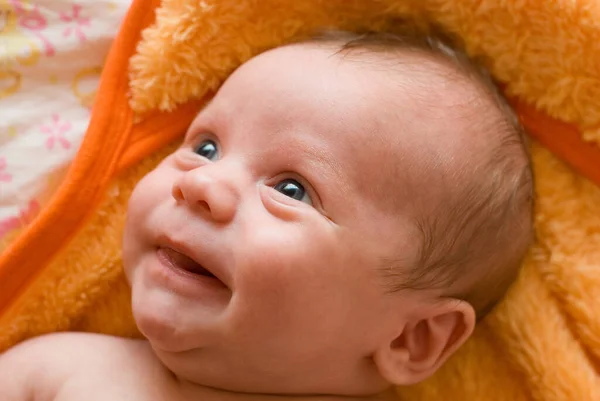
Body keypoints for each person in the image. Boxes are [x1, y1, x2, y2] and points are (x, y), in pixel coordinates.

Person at [0, 31, 533, 401]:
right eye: (205, 147)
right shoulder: (62, 373)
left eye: (291, 189)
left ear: (410, 339)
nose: (201, 184)